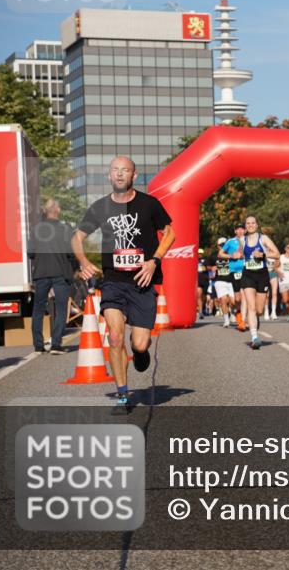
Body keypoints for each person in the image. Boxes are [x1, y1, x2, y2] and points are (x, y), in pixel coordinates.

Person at [71, 156, 175, 412]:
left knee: (139, 343)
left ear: (134, 176)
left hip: (142, 281)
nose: (119, 174)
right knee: (115, 337)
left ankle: (141, 353)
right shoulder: (100, 207)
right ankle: (122, 395)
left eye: (124, 170)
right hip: (113, 281)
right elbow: (77, 237)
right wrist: (83, 261)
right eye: (115, 170)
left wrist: (154, 261)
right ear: (109, 176)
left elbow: (171, 232)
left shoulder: (149, 204)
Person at [29, 198, 77, 354]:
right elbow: (71, 252)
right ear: (57, 210)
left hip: (41, 273)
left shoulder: (36, 229)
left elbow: (31, 253)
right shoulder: (66, 229)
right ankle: (56, 344)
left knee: (38, 308)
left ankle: (38, 345)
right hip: (60, 272)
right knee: (61, 308)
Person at [236, 215, 279, 349]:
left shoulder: (263, 238)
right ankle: (255, 337)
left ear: (257, 224)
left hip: (262, 275)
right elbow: (240, 253)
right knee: (251, 307)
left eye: (253, 223)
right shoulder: (242, 240)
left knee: (259, 310)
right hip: (247, 275)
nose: (250, 225)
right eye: (248, 223)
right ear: (245, 226)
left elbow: (277, 254)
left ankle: (256, 319)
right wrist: (238, 255)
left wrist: (263, 255)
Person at [219, 224, 247, 331]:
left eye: (242, 229)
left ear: (244, 231)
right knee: (238, 299)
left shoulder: (249, 240)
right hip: (234, 271)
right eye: (238, 229)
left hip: (246, 269)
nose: (240, 231)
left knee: (246, 294)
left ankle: (243, 321)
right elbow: (220, 254)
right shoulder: (230, 241)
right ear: (235, 231)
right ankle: (237, 313)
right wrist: (231, 256)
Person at [213, 236, 236, 328]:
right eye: (221, 245)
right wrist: (212, 268)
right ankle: (226, 320)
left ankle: (233, 313)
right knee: (223, 300)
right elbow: (206, 266)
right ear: (218, 246)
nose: (223, 246)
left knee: (234, 301)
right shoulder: (214, 256)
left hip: (232, 281)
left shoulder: (233, 254)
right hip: (220, 281)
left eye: (224, 244)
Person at [196, 248, 209, 319]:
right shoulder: (194, 260)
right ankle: (200, 312)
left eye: (200, 253)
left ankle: (204, 306)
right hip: (198, 280)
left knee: (204, 297)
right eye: (198, 253)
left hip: (205, 280)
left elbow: (208, 267)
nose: (199, 255)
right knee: (199, 295)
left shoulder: (206, 260)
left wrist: (206, 268)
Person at [267, 253, 280, 321]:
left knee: (274, 293)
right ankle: (266, 311)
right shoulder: (262, 252)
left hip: (273, 273)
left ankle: (273, 312)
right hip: (265, 274)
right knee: (266, 294)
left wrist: (276, 263)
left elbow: (278, 263)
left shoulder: (275, 254)